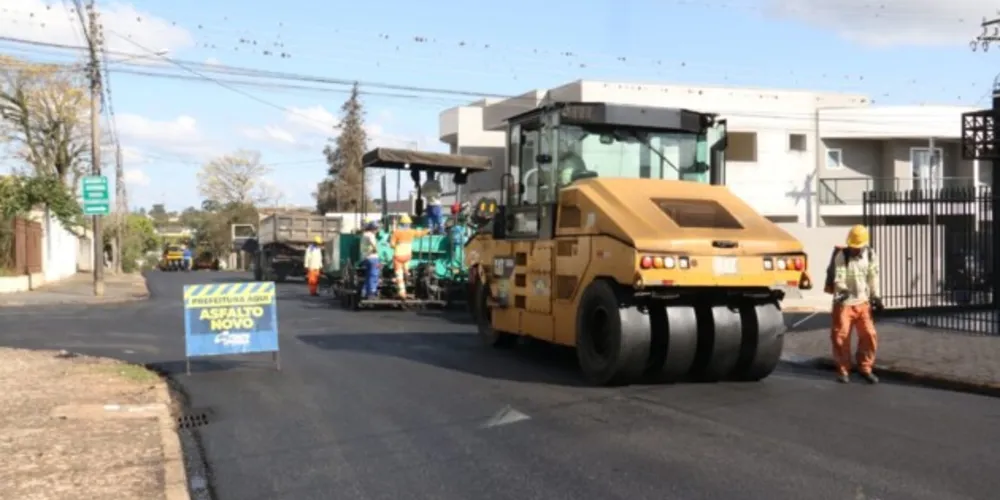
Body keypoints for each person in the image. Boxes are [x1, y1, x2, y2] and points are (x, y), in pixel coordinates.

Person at [831, 224, 884, 384]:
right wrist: (843, 289)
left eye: (857, 247)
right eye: (852, 246)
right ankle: (843, 371)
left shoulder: (870, 255)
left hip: (863, 303)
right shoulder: (842, 256)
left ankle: (865, 368)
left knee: (869, 335)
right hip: (844, 304)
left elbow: (873, 277)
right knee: (841, 337)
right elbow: (839, 277)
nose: (854, 249)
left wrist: (876, 297)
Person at [389, 214, 430, 299]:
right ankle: (407, 275)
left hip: (398, 256)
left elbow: (392, 245)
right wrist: (428, 229)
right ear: (409, 224)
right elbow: (421, 233)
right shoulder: (411, 231)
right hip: (408, 255)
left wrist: (395, 245)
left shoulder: (397, 232)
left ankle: (402, 292)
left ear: (401, 223)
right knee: (406, 268)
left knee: (399, 275)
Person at [360, 220, 380, 299]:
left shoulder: (364, 235)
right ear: (373, 228)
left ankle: (364, 291)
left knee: (368, 276)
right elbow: (374, 244)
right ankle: (372, 292)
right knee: (374, 275)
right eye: (377, 229)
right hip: (372, 258)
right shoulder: (370, 235)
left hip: (365, 258)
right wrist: (376, 249)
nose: (377, 231)